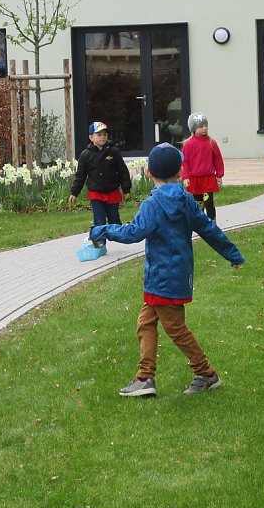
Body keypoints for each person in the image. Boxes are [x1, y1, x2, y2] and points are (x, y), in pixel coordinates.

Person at [89, 143, 244, 397]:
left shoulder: (153, 204)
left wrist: (102, 230)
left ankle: (206, 374)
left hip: (162, 277)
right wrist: (232, 253)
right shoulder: (187, 200)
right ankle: (145, 377)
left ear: (149, 173)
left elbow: (134, 232)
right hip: (172, 276)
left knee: (176, 329)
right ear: (180, 171)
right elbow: (209, 229)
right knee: (145, 323)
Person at [69, 121, 131, 229]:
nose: (103, 137)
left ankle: (117, 236)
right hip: (96, 193)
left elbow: (123, 171)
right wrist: (74, 192)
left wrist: (126, 189)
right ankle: (100, 238)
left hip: (112, 191)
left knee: (114, 219)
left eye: (105, 134)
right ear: (91, 137)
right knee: (99, 219)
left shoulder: (113, 151)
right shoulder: (85, 155)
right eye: (99, 134)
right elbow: (80, 176)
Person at [181, 112, 224, 220]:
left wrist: (219, 175)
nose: (205, 128)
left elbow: (218, 159)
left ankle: (212, 223)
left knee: (209, 203)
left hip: (208, 179)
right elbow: (185, 162)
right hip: (195, 180)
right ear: (194, 128)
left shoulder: (211, 142)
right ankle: (200, 224)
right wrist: (185, 177)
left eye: (206, 125)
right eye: (201, 126)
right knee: (198, 204)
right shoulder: (188, 144)